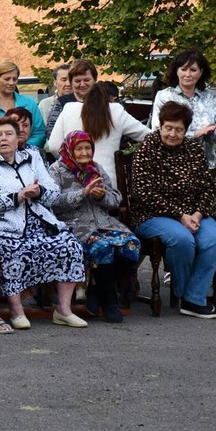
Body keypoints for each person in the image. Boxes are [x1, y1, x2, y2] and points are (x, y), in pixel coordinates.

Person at [0, 118, 87, 329]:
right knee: (10, 249)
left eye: (9, 134)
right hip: (6, 226)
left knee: (68, 244)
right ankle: (17, 311)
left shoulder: (33, 157)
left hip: (40, 221)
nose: (4, 138)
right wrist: (17, 196)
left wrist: (39, 192)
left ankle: (63, 310)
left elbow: (53, 193)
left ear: (18, 138)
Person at [130, 102, 216, 318]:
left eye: (179, 129)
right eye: (168, 128)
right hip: (153, 214)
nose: (173, 134)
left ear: (186, 130)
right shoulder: (147, 148)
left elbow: (207, 187)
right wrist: (180, 215)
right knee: (182, 240)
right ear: (160, 126)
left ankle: (193, 297)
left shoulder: (193, 149)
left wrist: (198, 214)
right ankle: (183, 294)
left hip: (193, 213)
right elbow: (143, 192)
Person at [49, 131, 140, 322]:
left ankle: (97, 290)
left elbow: (115, 198)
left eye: (87, 148)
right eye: (79, 149)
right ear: (69, 150)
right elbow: (53, 202)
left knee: (132, 245)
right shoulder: (56, 170)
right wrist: (83, 193)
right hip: (74, 224)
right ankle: (110, 302)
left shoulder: (96, 168)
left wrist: (101, 196)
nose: (84, 153)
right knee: (102, 246)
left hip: (104, 222)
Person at [47, 80, 149, 183]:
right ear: (110, 98)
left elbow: (53, 146)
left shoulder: (69, 108)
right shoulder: (116, 110)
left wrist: (71, 161)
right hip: (107, 180)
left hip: (72, 179)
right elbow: (148, 136)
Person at [150, 49, 216, 169]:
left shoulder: (209, 97)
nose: (188, 74)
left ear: (201, 72)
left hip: (206, 166)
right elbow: (157, 132)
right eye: (183, 69)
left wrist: (210, 132)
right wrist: (196, 134)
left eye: (193, 70)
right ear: (177, 71)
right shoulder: (164, 96)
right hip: (173, 166)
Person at [0, 61, 46, 149]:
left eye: (15, 79)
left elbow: (39, 133)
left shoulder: (30, 103)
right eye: (7, 79)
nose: (11, 83)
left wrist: (22, 148)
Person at [46, 59, 98, 138]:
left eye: (87, 80)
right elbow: (51, 132)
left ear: (94, 79)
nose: (82, 84)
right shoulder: (61, 102)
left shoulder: (106, 100)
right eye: (77, 81)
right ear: (71, 82)